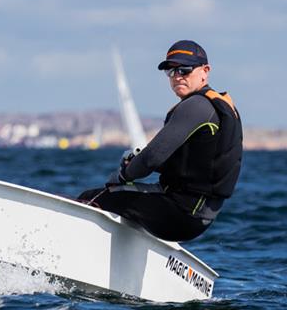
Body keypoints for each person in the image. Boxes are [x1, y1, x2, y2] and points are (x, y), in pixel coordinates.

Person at [78, 40, 243, 242]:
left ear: (204, 71)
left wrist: (123, 174)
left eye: (184, 70)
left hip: (180, 214)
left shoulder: (196, 107)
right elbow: (189, 163)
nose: (177, 77)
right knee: (117, 196)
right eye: (171, 71)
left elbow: (151, 158)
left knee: (92, 197)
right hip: (196, 217)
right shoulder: (215, 107)